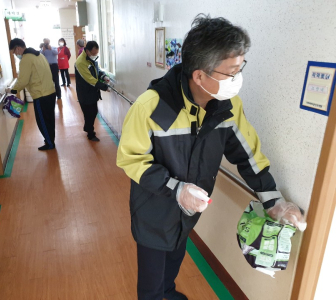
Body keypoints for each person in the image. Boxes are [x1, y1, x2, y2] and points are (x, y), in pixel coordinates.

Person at [116, 15, 305, 300]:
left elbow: (247, 152)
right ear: (199, 75)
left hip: (189, 211)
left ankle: (169, 291)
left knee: (175, 259)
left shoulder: (227, 107)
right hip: (153, 211)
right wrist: (176, 189)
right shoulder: (152, 108)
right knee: (151, 283)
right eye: (230, 72)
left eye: (240, 69)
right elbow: (131, 159)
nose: (237, 79)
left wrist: (273, 199)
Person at [7, 38, 56, 151]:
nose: (15, 55)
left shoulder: (26, 59)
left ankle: (50, 143)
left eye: (14, 52)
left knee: (42, 121)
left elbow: (23, 80)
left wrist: (13, 90)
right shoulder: (39, 55)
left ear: (18, 48)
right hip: (50, 92)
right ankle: (50, 140)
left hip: (41, 95)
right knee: (49, 119)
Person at [75, 41, 110, 142]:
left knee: (94, 111)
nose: (95, 55)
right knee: (89, 113)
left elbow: (96, 71)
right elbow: (89, 79)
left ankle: (87, 128)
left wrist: (104, 76)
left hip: (93, 91)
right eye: (94, 53)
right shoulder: (80, 62)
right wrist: (104, 87)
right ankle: (90, 133)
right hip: (84, 92)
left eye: (96, 53)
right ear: (87, 51)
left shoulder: (91, 59)